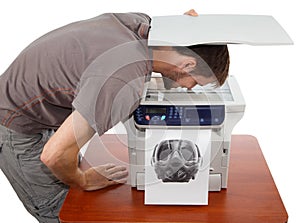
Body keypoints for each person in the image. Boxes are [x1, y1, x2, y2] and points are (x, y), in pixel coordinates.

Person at [0, 9, 229, 222]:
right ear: (188, 64)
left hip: (40, 106)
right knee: (66, 211)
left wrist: (188, 22)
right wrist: (83, 179)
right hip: (18, 127)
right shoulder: (122, 80)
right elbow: (54, 155)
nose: (189, 89)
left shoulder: (142, 24)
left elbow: (180, 30)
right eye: (196, 83)